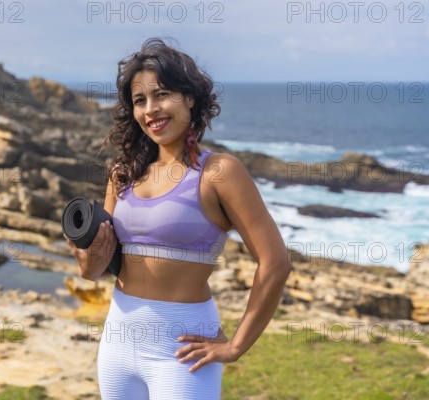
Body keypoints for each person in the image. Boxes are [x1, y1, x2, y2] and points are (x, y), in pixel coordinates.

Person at [65, 37, 292, 400]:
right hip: (118, 342)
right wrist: (87, 259)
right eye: (140, 100)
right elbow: (97, 272)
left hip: (183, 349)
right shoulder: (122, 174)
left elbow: (275, 263)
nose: (151, 109)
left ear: (190, 97)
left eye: (162, 94)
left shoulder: (219, 172)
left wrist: (235, 346)